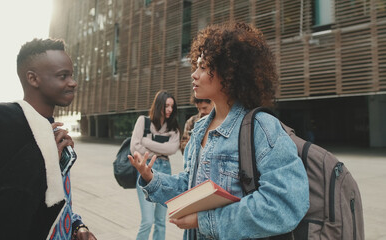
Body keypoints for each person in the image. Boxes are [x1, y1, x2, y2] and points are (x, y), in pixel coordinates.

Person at [128, 21, 309, 239]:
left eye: (203, 67)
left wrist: (204, 221)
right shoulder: (199, 128)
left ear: (229, 73)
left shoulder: (262, 128)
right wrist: (152, 180)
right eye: (196, 66)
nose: (194, 74)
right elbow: (191, 187)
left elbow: (285, 204)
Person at [0, 38, 97, 240]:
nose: (73, 82)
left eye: (72, 75)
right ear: (33, 79)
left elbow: (54, 200)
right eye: (63, 76)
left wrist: (77, 226)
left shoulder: (53, 134)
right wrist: (42, 161)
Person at [130, 90, 180, 240]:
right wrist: (159, 149)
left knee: (160, 221)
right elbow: (134, 148)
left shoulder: (173, 128)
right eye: (166, 106)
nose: (170, 109)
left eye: (172, 106)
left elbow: (172, 149)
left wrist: (147, 142)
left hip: (165, 172)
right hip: (145, 171)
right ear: (159, 106)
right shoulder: (143, 121)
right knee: (148, 220)